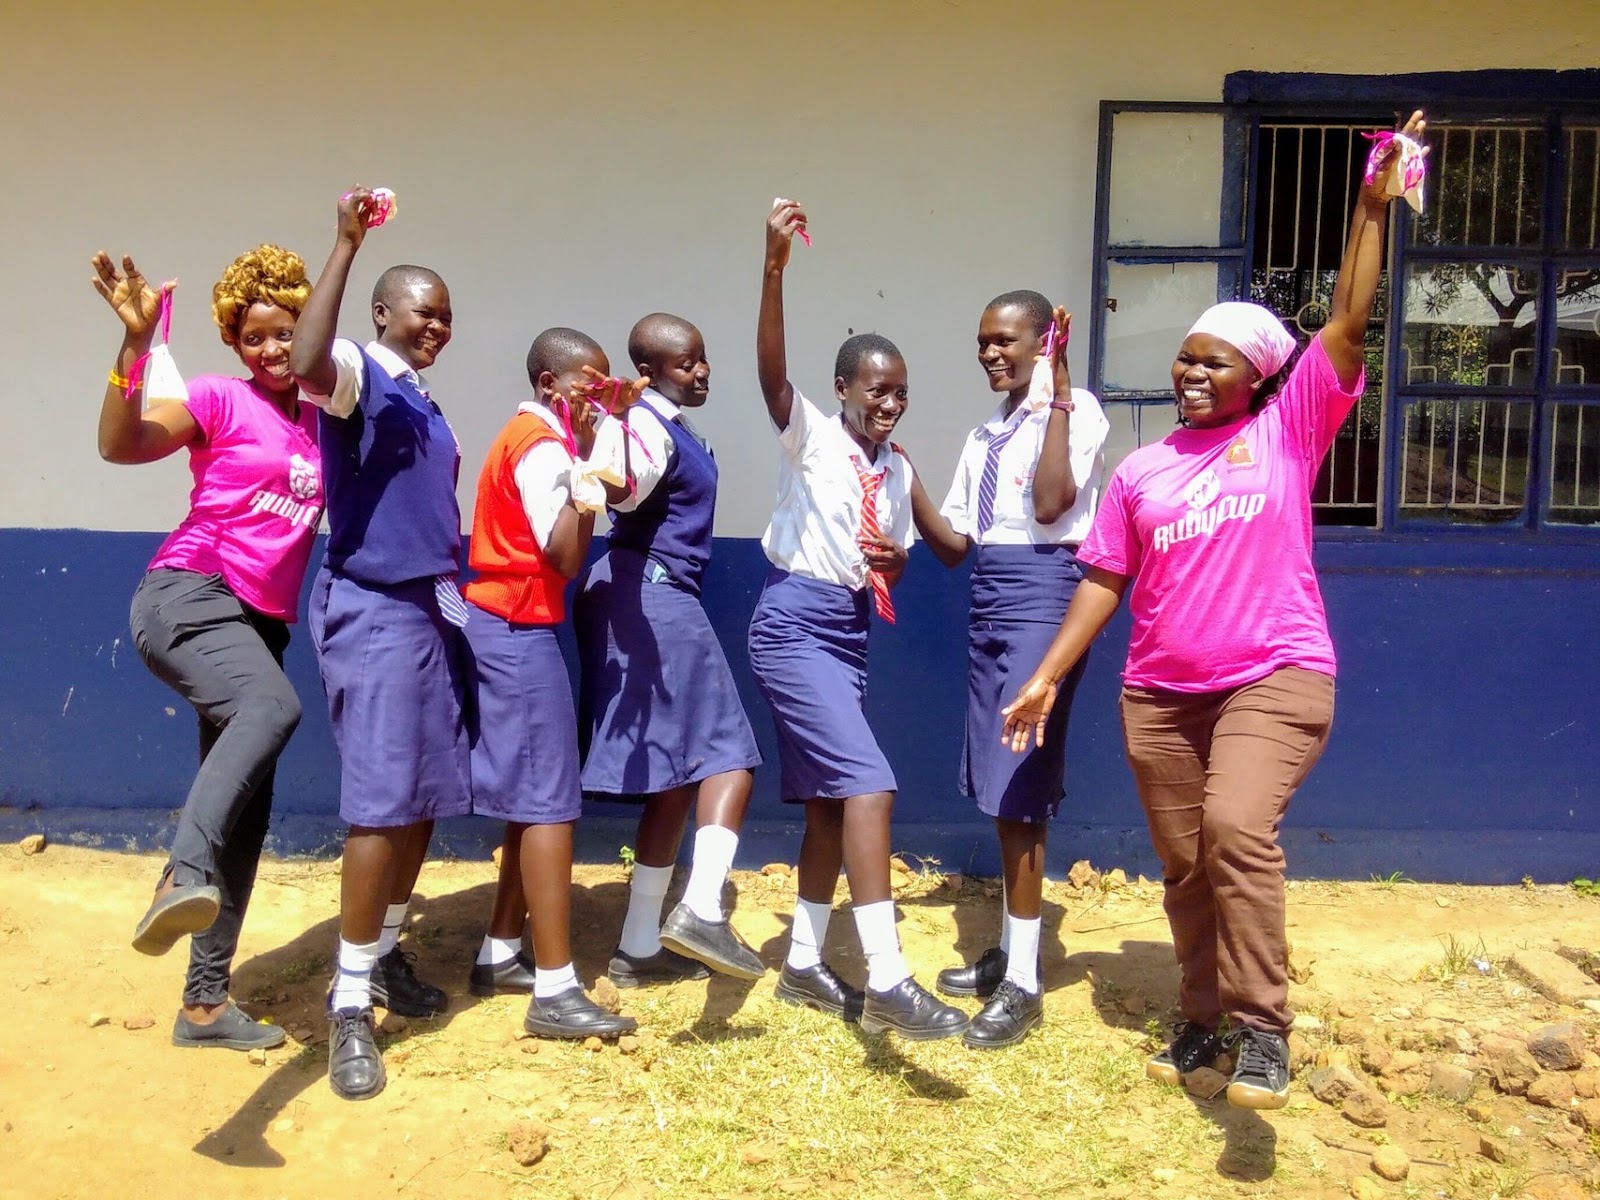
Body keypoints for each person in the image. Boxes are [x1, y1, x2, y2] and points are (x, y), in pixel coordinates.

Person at [1001, 112, 1428, 1108]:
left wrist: (1370, 208)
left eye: (1212, 362)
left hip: (1273, 676)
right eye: (1183, 359)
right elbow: (1104, 579)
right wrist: (1048, 675)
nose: (1189, 373)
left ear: (1257, 377)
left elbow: (1348, 323)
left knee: (1237, 830)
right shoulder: (1142, 472)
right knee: (1188, 868)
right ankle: (1202, 1020)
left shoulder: (1288, 431)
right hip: (1158, 695)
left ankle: (1264, 1028)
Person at [751, 198, 968, 1039]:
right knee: (871, 783)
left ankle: (803, 964)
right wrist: (773, 269)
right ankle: (887, 978)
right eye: (877, 389)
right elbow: (772, 373)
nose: (890, 403)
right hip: (794, 624)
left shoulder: (894, 466)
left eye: (902, 393)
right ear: (842, 388)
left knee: (829, 809)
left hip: (847, 632)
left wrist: (898, 559)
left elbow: (928, 555)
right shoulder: (812, 436)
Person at [98, 245, 318, 1053]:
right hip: (189, 595)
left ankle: (203, 1006)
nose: (270, 350)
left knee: (246, 811)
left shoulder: (323, 416)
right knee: (273, 707)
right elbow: (121, 447)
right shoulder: (219, 399)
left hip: (258, 626)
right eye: (253, 337)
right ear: (233, 344)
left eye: (285, 333)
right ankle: (176, 874)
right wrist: (132, 348)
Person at [289, 187, 471, 1101]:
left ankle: (387, 949)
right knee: (381, 800)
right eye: (421, 311)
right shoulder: (359, 371)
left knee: (422, 797)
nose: (435, 324)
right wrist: (346, 245)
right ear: (384, 314)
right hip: (375, 609)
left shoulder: (425, 403)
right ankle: (348, 1002)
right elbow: (307, 358)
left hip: (432, 611)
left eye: (445, 314)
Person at [909, 289, 1109, 1048]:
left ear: (1043, 343)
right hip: (991, 599)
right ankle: (1011, 950)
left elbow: (1055, 503)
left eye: (1006, 341)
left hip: (1043, 596)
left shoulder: (1075, 409)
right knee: (999, 785)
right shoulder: (983, 435)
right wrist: (909, 484)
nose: (991, 354)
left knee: (1020, 782)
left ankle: (1025, 985)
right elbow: (958, 544)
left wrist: (1057, 393)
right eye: (983, 342)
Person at [574, 312, 766, 987]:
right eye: (686, 363)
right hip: (652, 594)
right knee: (729, 756)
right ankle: (705, 907)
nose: (703, 370)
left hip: (640, 589)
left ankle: (637, 945)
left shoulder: (670, 427)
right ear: (650, 371)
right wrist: (610, 435)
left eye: (703, 357)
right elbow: (624, 492)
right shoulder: (647, 427)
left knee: (682, 774)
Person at [461, 327, 639, 1039]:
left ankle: (501, 950)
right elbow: (564, 555)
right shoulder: (538, 446)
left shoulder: (546, 439)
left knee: (532, 796)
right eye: (586, 386)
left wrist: (602, 440)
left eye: (605, 385)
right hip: (514, 628)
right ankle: (557, 989)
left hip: (515, 626)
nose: (596, 397)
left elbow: (614, 488)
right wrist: (588, 474)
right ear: (548, 386)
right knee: (549, 804)